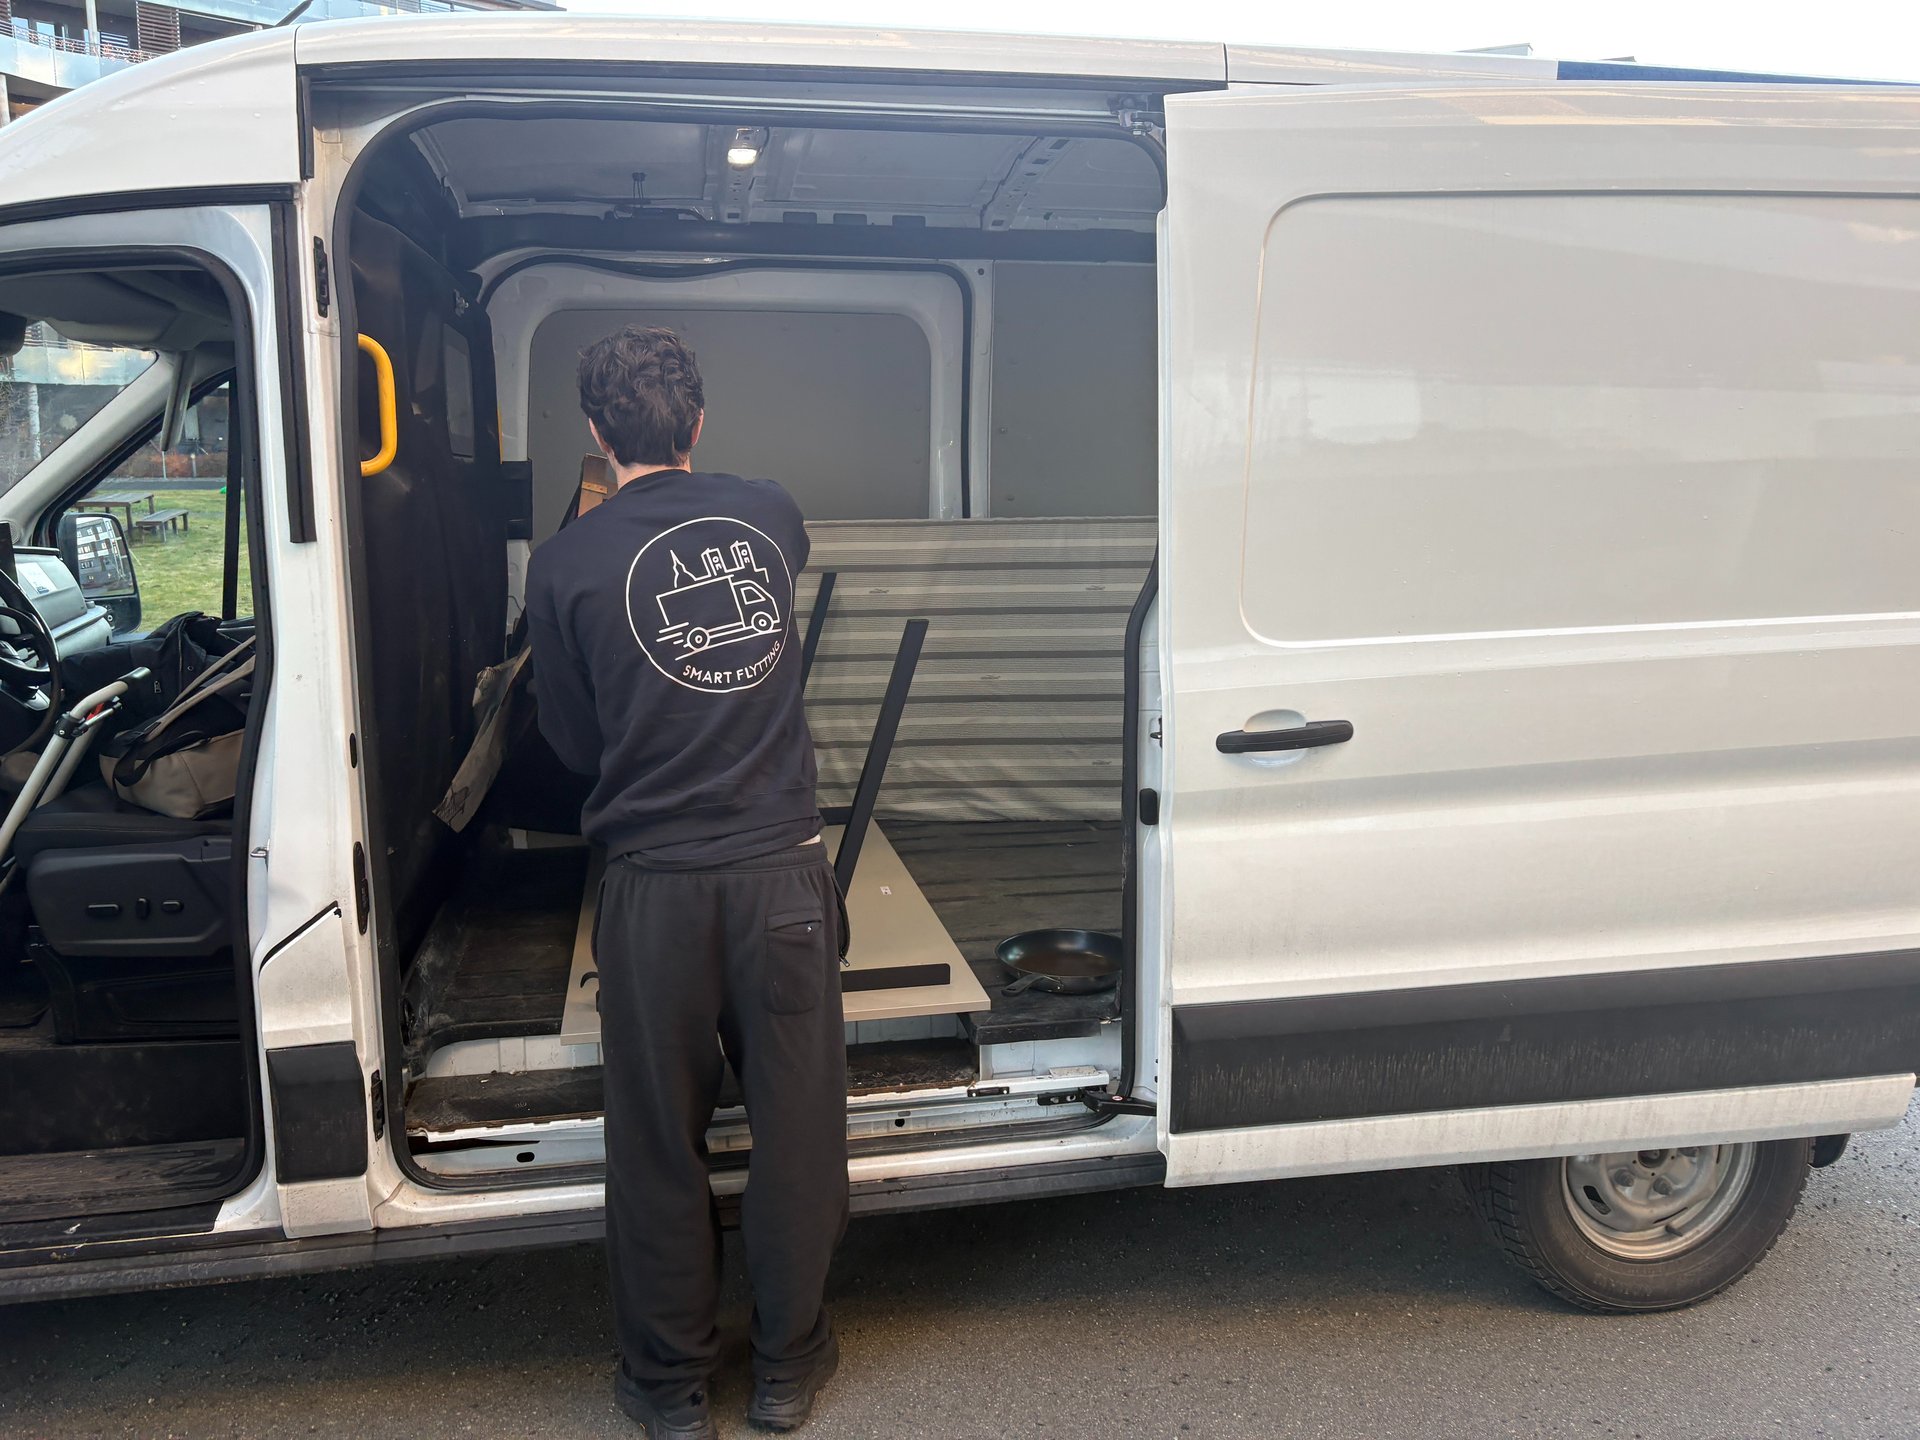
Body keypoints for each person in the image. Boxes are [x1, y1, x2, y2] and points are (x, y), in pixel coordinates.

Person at [525, 325, 847, 1439]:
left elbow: (573, 742)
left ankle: (669, 1390)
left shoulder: (564, 564)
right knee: (797, 1135)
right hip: (782, 881)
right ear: (699, 422)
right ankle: (786, 1369)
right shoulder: (769, 514)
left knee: (658, 1143)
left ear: (595, 431)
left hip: (654, 889)